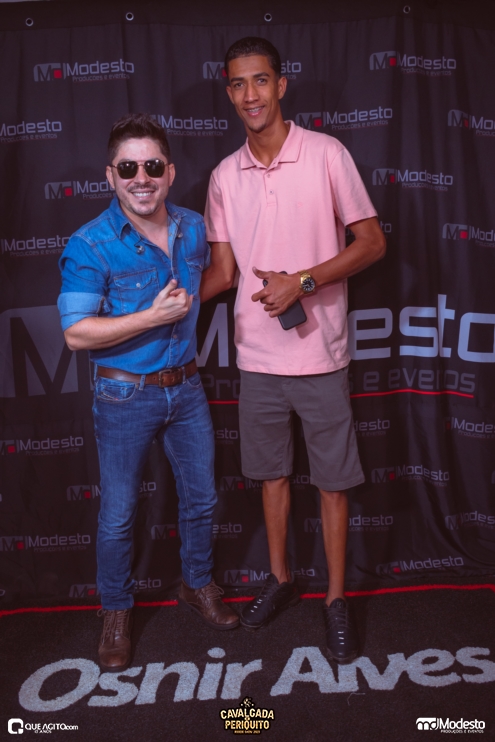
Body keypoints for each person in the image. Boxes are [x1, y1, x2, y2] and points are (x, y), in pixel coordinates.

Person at [201, 38, 386, 663]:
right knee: (272, 476)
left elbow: (372, 243)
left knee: (333, 482)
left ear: (281, 86)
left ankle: (334, 599)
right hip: (256, 359)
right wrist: (163, 300)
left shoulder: (327, 154)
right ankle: (280, 579)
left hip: (320, 356)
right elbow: (223, 272)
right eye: (237, 84)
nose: (249, 94)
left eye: (260, 80)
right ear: (229, 93)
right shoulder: (224, 176)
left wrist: (302, 282)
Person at [58, 113, 239, 673]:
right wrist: (151, 317)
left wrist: (184, 308)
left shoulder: (192, 226)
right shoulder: (90, 243)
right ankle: (115, 611)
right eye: (129, 167)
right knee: (118, 515)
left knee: (202, 498)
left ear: (170, 172)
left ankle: (197, 583)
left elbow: (217, 276)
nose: (142, 178)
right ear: (111, 176)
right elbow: (75, 333)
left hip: (186, 388)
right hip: (124, 396)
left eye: (153, 166)